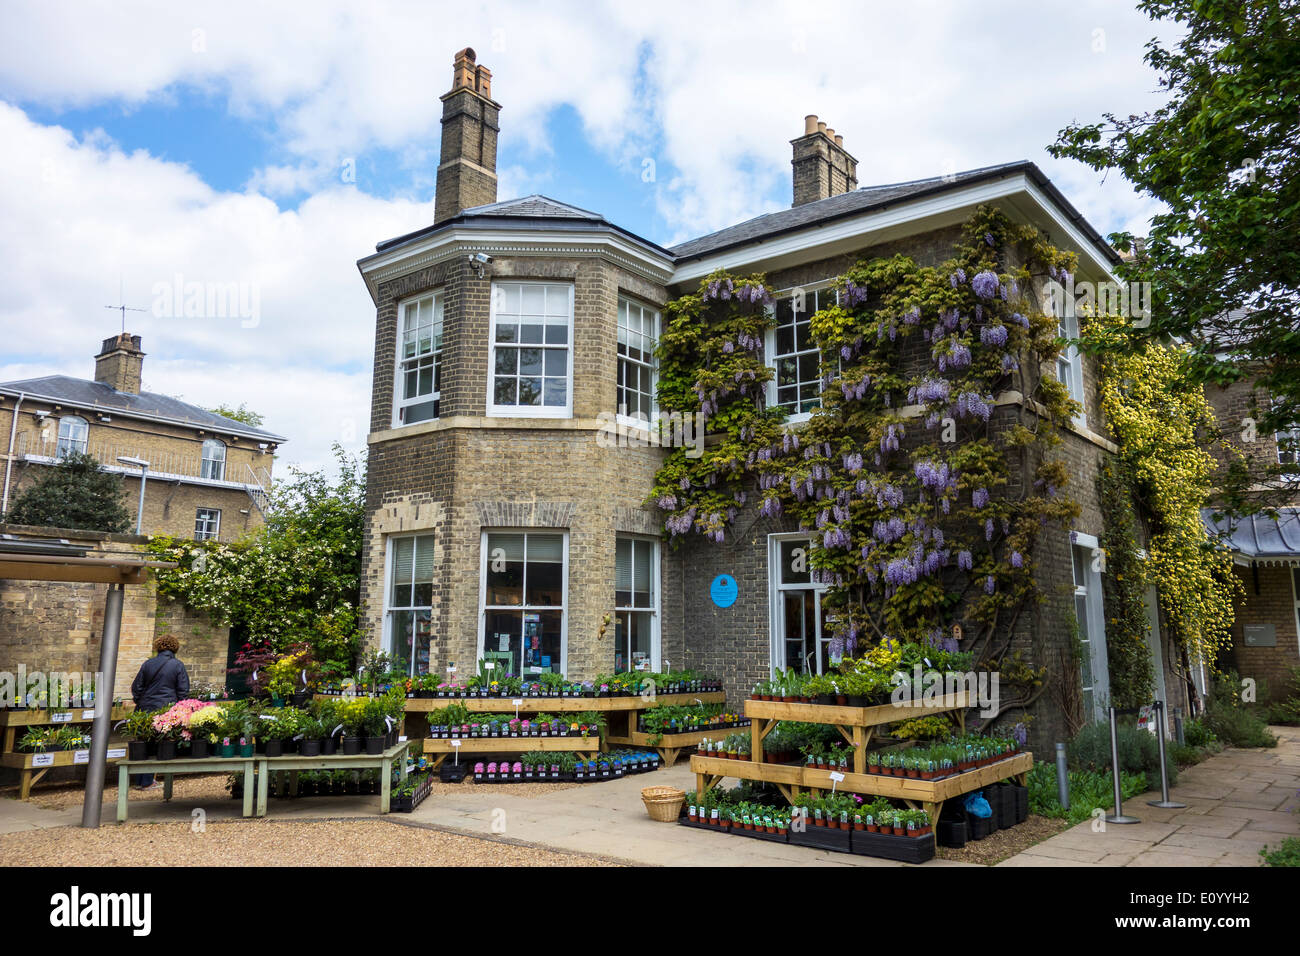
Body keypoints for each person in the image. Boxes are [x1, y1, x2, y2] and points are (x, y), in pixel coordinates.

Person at [130, 635, 190, 789]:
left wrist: (141, 701)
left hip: (144, 709)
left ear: (158, 647)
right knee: (160, 744)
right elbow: (183, 691)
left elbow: (136, 687)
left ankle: (140, 781)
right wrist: (178, 708)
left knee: (143, 743)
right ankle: (148, 781)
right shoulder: (177, 665)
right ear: (175, 648)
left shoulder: (148, 664)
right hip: (165, 710)